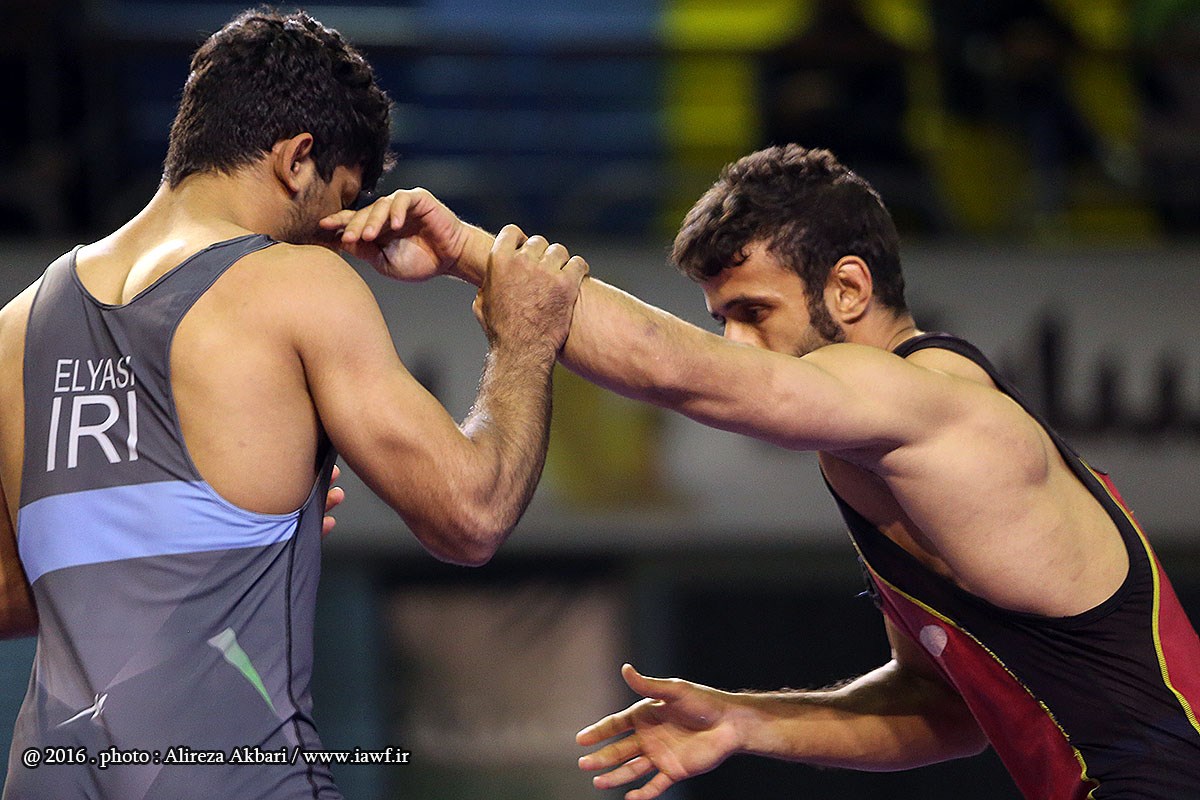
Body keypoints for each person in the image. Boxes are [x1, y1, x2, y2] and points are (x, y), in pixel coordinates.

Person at [322, 144, 1200, 799]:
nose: (738, 344)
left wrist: (470, 253)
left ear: (848, 289)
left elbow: (685, 374)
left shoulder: (927, 403)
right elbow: (944, 709)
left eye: (753, 312)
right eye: (721, 320)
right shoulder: (878, 450)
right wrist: (745, 719)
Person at [0, 9, 585, 799]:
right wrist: (523, 341)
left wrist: (204, 538)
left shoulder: (16, 325)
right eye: (338, 203)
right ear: (297, 159)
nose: (334, 236)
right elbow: (471, 514)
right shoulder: (294, 282)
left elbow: (19, 594)